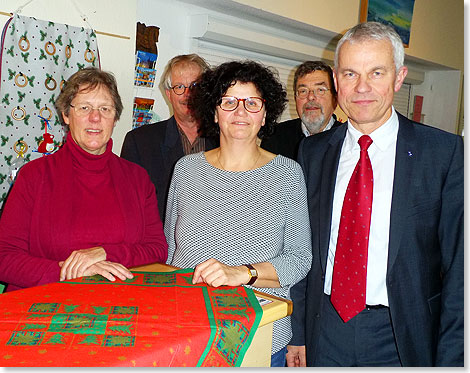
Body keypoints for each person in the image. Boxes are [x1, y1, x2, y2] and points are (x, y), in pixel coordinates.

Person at [287, 22, 463, 367]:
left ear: (399, 77)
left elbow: (460, 270)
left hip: (403, 334)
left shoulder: (444, 153)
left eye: (376, 72)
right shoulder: (313, 152)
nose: (362, 87)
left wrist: (453, 358)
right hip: (326, 329)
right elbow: (302, 248)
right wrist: (299, 333)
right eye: (351, 74)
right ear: (337, 81)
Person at [164, 60, 312, 367]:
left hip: (257, 334)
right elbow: (170, 251)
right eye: (229, 102)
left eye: (252, 103)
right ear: (215, 113)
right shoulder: (186, 169)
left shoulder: (287, 175)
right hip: (189, 331)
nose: (240, 112)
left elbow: (299, 260)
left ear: (265, 114)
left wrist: (243, 273)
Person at [0, 67, 168, 292]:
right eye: (84, 107)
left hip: (119, 305)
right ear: (66, 115)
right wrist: (69, 271)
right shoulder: (33, 176)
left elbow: (157, 249)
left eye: (105, 109)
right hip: (45, 306)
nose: (95, 118)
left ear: (115, 118)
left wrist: (105, 252)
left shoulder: (138, 178)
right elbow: (5, 257)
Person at [120, 54, 219, 222]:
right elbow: (129, 210)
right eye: (179, 87)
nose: (188, 94)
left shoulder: (224, 141)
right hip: (161, 246)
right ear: (168, 94)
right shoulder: (140, 142)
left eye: (195, 85)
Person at [261, 61, 342, 160]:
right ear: (295, 98)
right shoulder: (275, 137)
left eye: (320, 90)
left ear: (335, 99)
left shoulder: (348, 139)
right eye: (303, 91)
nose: (311, 97)